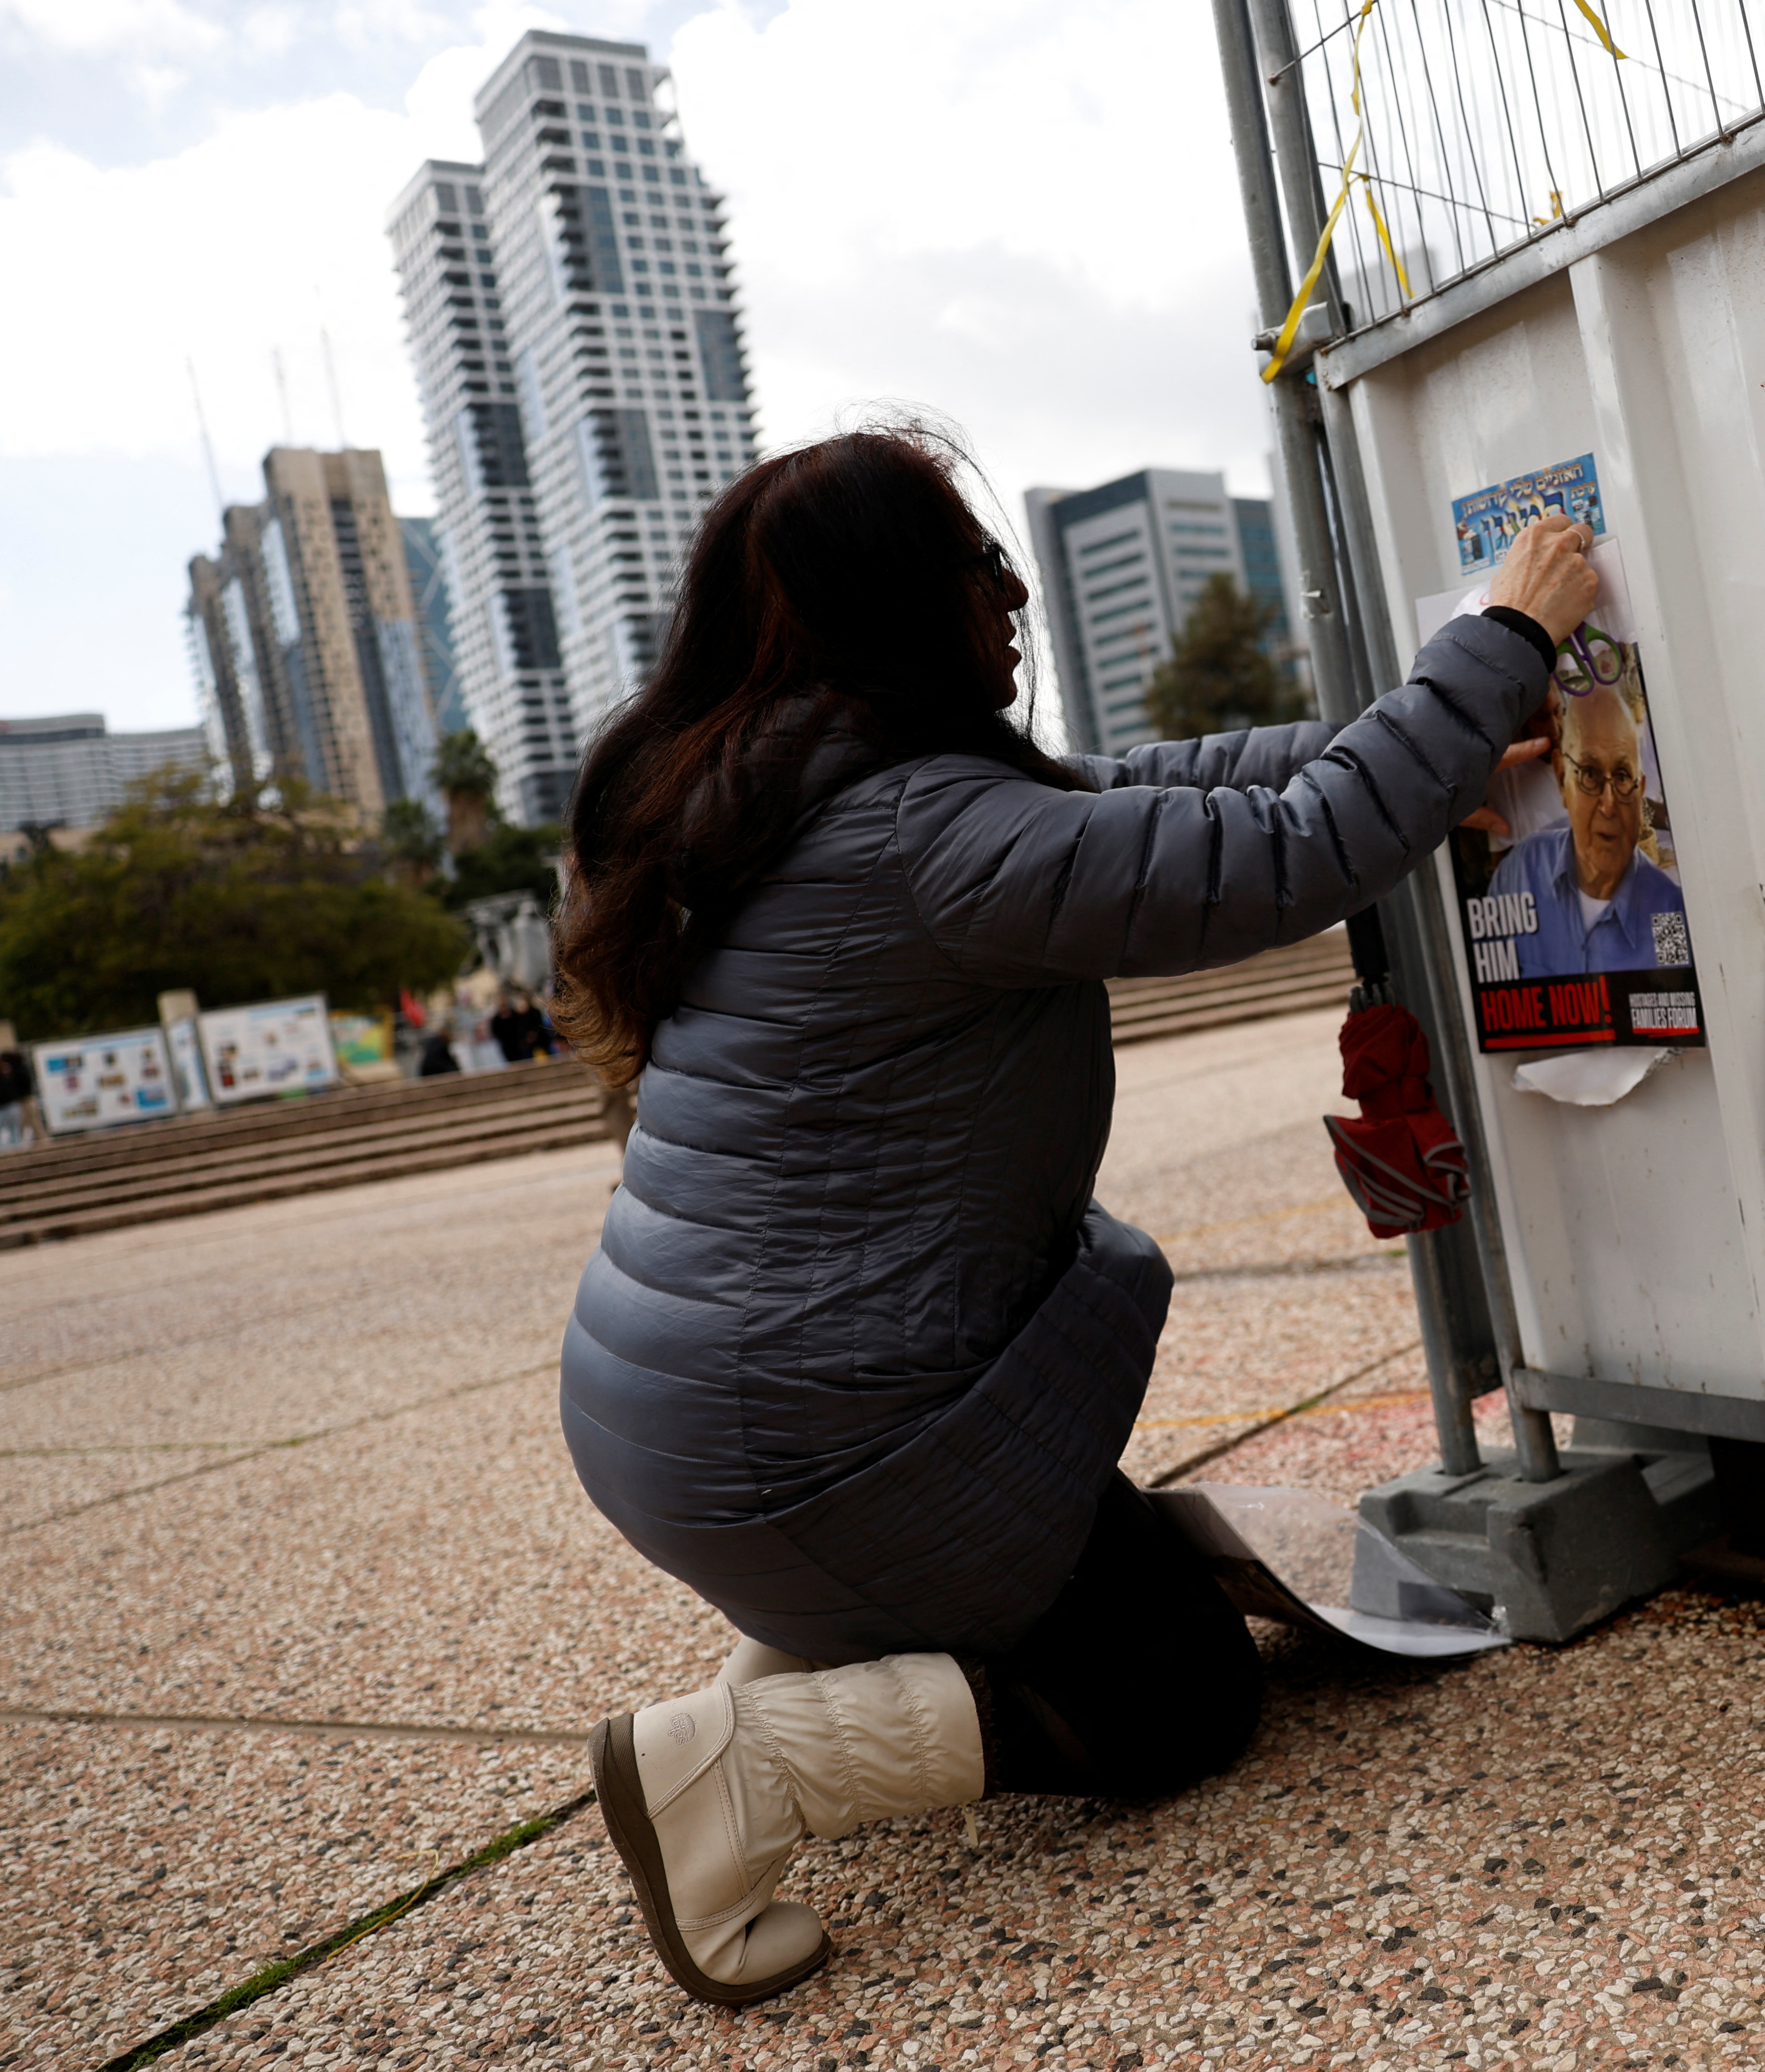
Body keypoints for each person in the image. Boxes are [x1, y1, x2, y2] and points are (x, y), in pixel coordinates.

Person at [551, 423, 1590, 2006]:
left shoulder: (787, 799)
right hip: (817, 1443)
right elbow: (1279, 852)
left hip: (697, 1422)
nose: (1016, 597)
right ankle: (743, 1764)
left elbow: (1170, 787)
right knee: (1178, 1693)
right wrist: (1504, 635)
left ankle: (805, 1648)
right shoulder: (923, 833)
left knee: (1128, 1590)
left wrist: (1437, 748)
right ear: (904, 605)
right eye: (983, 565)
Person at [1501, 675, 1687, 975]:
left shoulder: (1668, 906)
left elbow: (1676, 984)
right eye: (1589, 774)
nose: (1608, 804)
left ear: (1640, 791)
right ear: (1562, 778)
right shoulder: (1520, 871)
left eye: (1623, 777)